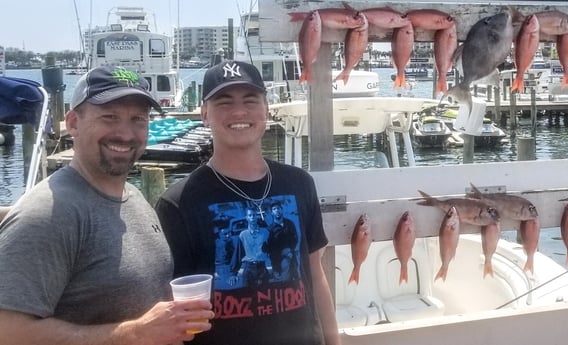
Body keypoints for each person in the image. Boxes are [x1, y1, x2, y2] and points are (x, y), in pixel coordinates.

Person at [0, 66, 213, 344]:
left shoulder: (133, 197)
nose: (125, 134)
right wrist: (136, 333)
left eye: (138, 119)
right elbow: (8, 331)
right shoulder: (49, 214)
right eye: (109, 117)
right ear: (73, 122)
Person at [155, 60, 340, 345]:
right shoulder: (177, 203)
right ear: (205, 114)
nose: (239, 112)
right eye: (224, 102)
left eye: (250, 100)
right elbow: (173, 309)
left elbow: (316, 275)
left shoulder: (300, 184)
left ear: (266, 110)